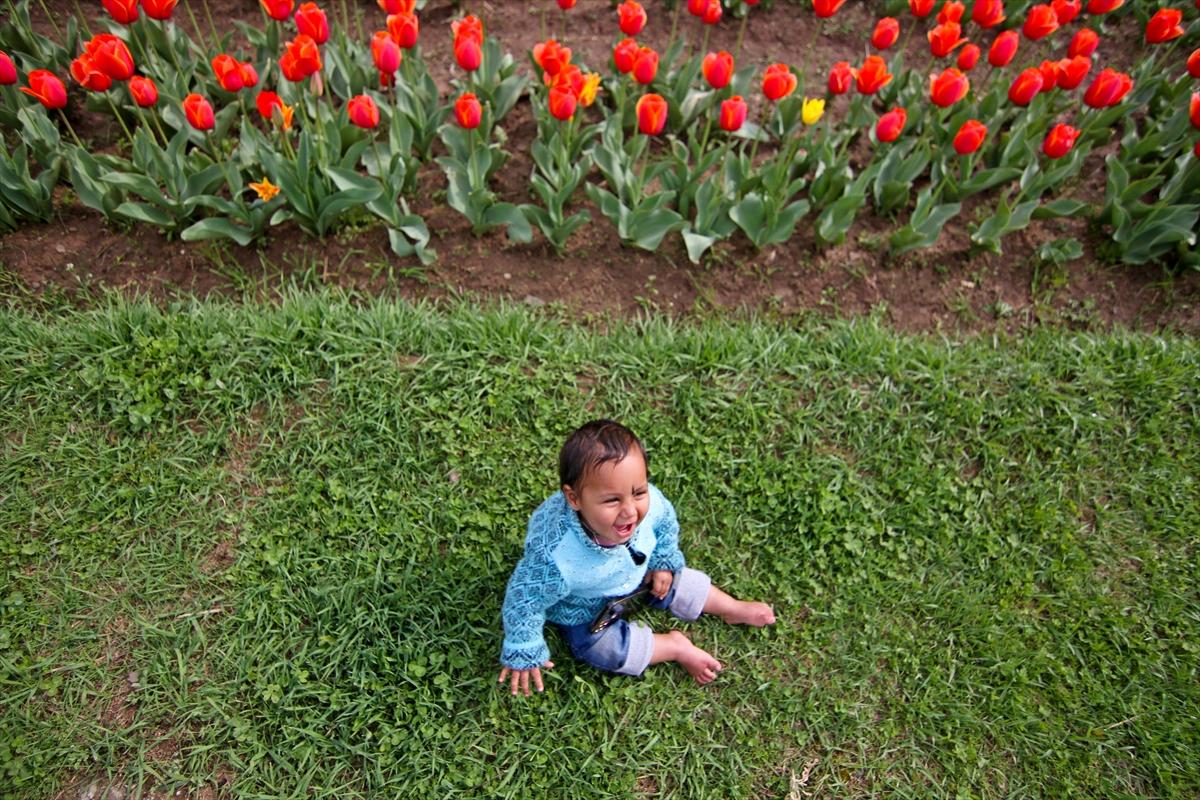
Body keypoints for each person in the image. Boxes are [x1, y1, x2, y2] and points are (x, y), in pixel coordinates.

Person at [498, 419, 776, 696]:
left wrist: (663, 561)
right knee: (599, 649)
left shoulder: (650, 505)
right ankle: (674, 647)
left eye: (638, 492)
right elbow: (525, 599)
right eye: (612, 500)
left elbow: (665, 522)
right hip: (585, 606)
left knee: (676, 578)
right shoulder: (554, 558)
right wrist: (524, 645)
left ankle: (730, 607)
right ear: (574, 499)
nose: (630, 510)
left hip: (641, 571)